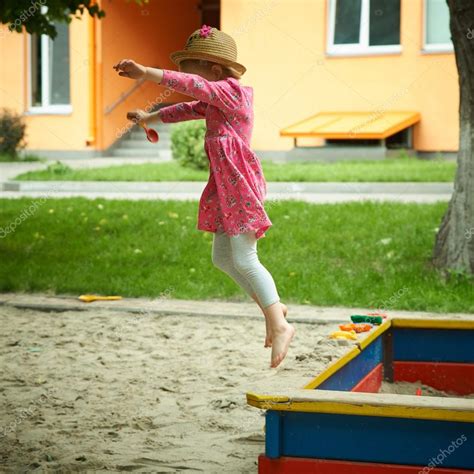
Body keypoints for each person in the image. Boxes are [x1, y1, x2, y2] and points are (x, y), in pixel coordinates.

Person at [113, 25, 295, 368]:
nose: (184, 74)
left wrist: (146, 73)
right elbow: (185, 108)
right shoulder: (216, 102)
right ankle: (273, 309)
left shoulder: (230, 92)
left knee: (245, 258)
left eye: (190, 65)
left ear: (214, 70)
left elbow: (190, 87)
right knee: (223, 259)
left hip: (239, 187)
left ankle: (281, 324)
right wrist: (148, 116)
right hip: (225, 189)